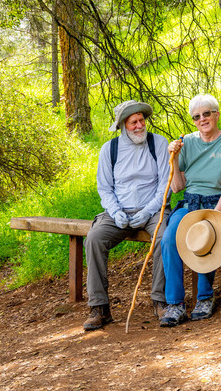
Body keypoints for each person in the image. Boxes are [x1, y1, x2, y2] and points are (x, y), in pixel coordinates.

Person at [160, 94, 221, 327]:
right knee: (169, 238)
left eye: (206, 114)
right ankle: (175, 304)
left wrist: (213, 216)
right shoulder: (187, 143)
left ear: (216, 115)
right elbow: (178, 187)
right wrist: (173, 158)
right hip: (190, 203)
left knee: (210, 233)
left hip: (220, 205)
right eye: (196, 116)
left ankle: (204, 297)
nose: (202, 119)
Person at [83, 100, 171, 331]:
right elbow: (105, 188)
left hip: (153, 210)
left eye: (142, 120)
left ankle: (160, 301)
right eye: (134, 122)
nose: (140, 125)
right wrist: (115, 212)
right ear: (123, 125)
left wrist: (148, 211)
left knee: (165, 238)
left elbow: (166, 185)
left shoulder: (159, 144)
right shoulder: (109, 149)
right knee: (93, 239)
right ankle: (99, 308)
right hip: (119, 212)